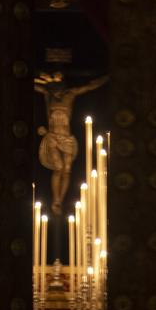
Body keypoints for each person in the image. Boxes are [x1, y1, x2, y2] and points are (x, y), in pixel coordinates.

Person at [34, 72, 108, 213]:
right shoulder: (48, 95)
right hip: (52, 137)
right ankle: (55, 199)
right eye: (54, 92)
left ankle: (60, 200)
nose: (56, 95)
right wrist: (43, 78)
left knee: (67, 171)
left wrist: (106, 77)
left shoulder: (70, 95)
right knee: (58, 167)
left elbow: (89, 87)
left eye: (58, 92)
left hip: (67, 138)